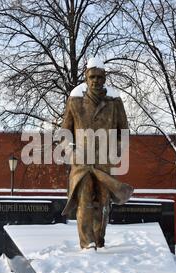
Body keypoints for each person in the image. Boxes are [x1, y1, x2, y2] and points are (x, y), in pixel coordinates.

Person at [61, 57, 133, 250]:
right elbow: (65, 132)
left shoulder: (114, 101)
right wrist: (71, 151)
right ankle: (87, 244)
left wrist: (116, 149)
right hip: (82, 162)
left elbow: (123, 131)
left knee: (102, 202)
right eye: (92, 76)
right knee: (84, 200)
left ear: (105, 78)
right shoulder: (75, 99)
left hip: (103, 160)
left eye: (99, 77)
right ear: (86, 77)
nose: (95, 80)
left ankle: (99, 239)